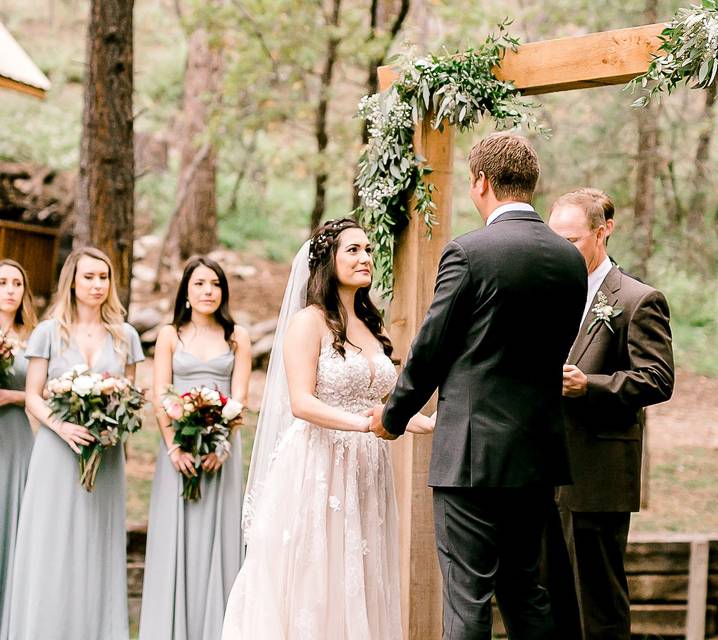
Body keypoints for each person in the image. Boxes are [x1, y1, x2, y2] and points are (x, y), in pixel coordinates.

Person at [369, 132, 588, 640]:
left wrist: (393, 416)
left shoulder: (469, 252)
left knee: (466, 599)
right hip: (536, 455)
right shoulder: (570, 259)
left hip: (471, 456)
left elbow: (431, 347)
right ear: (530, 184)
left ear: (481, 182)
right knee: (526, 593)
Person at [221, 218, 434, 639]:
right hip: (319, 463)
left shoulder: (374, 327)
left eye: (368, 250)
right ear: (327, 261)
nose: (365, 258)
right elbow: (301, 403)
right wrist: (365, 425)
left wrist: (427, 422)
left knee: (361, 570)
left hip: (367, 465)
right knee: (318, 575)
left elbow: (384, 404)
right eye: (352, 250)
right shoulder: (309, 322)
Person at [545, 188, 674, 640]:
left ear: (604, 232)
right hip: (542, 471)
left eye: (573, 240)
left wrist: (590, 385)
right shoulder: (545, 294)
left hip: (597, 474)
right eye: (554, 239)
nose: (561, 250)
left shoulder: (638, 299)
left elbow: (658, 379)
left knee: (596, 602)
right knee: (550, 600)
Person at [4, 247, 144, 639]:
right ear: (73, 281)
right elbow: (33, 394)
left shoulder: (125, 336)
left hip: (104, 453)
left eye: (104, 278)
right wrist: (60, 428)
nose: (97, 285)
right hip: (56, 451)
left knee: (97, 540)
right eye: (89, 277)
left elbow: (131, 396)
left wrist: (112, 424)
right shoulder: (48, 332)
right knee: (52, 541)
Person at [140, 257, 251, 640]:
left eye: (215, 284)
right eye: (200, 283)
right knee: (178, 539)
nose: (208, 291)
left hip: (221, 452)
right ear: (186, 291)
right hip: (179, 451)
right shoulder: (171, 335)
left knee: (218, 541)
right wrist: (174, 449)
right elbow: (159, 395)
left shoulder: (237, 336)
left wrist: (221, 447)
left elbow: (239, 400)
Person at [0, 259, 37, 640]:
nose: (10, 290)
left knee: (13, 523)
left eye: (17, 283)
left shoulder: (33, 338)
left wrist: (10, 395)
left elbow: (42, 392)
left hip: (19, 440)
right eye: (2, 282)